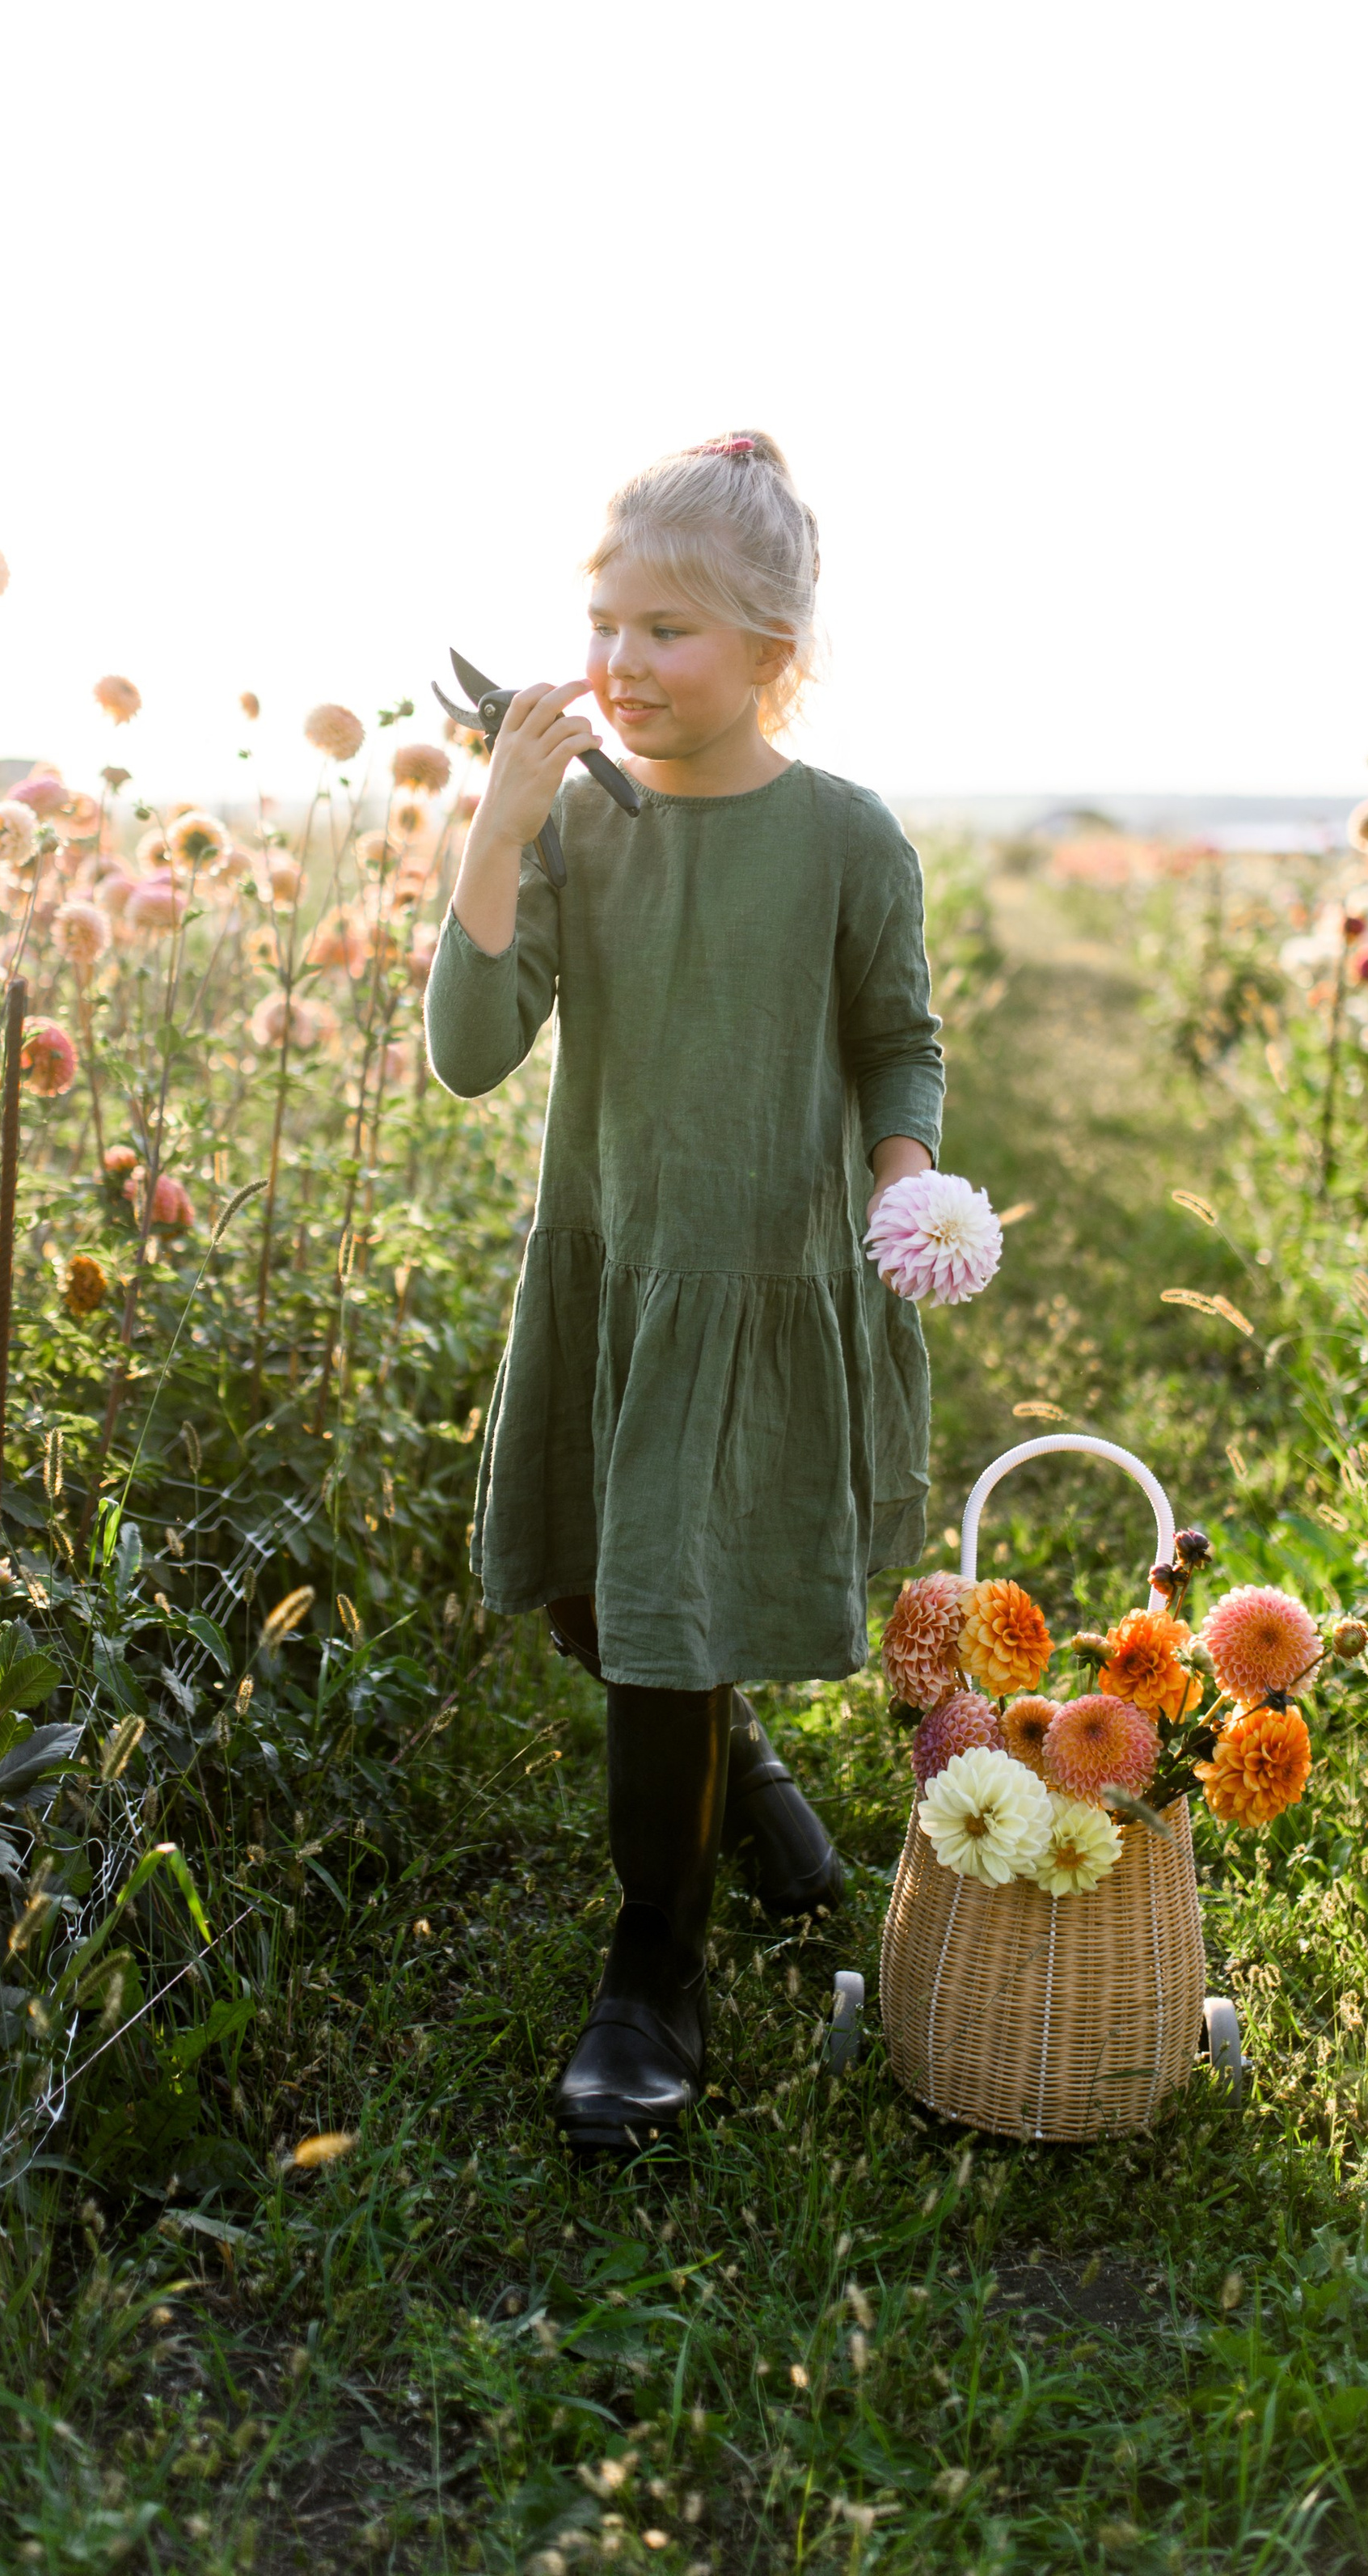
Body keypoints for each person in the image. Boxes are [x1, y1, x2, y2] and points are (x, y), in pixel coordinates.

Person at [424, 431, 944, 2150]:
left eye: (669, 631)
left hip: (769, 1271)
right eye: (602, 625)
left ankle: (651, 1975)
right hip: (618, 1262)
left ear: (770, 655)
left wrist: (904, 1184)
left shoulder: (847, 838)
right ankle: (761, 1795)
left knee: (659, 1613)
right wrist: (498, 824)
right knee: (612, 1596)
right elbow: (470, 1052)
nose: (622, 665)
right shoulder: (577, 831)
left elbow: (893, 1039)